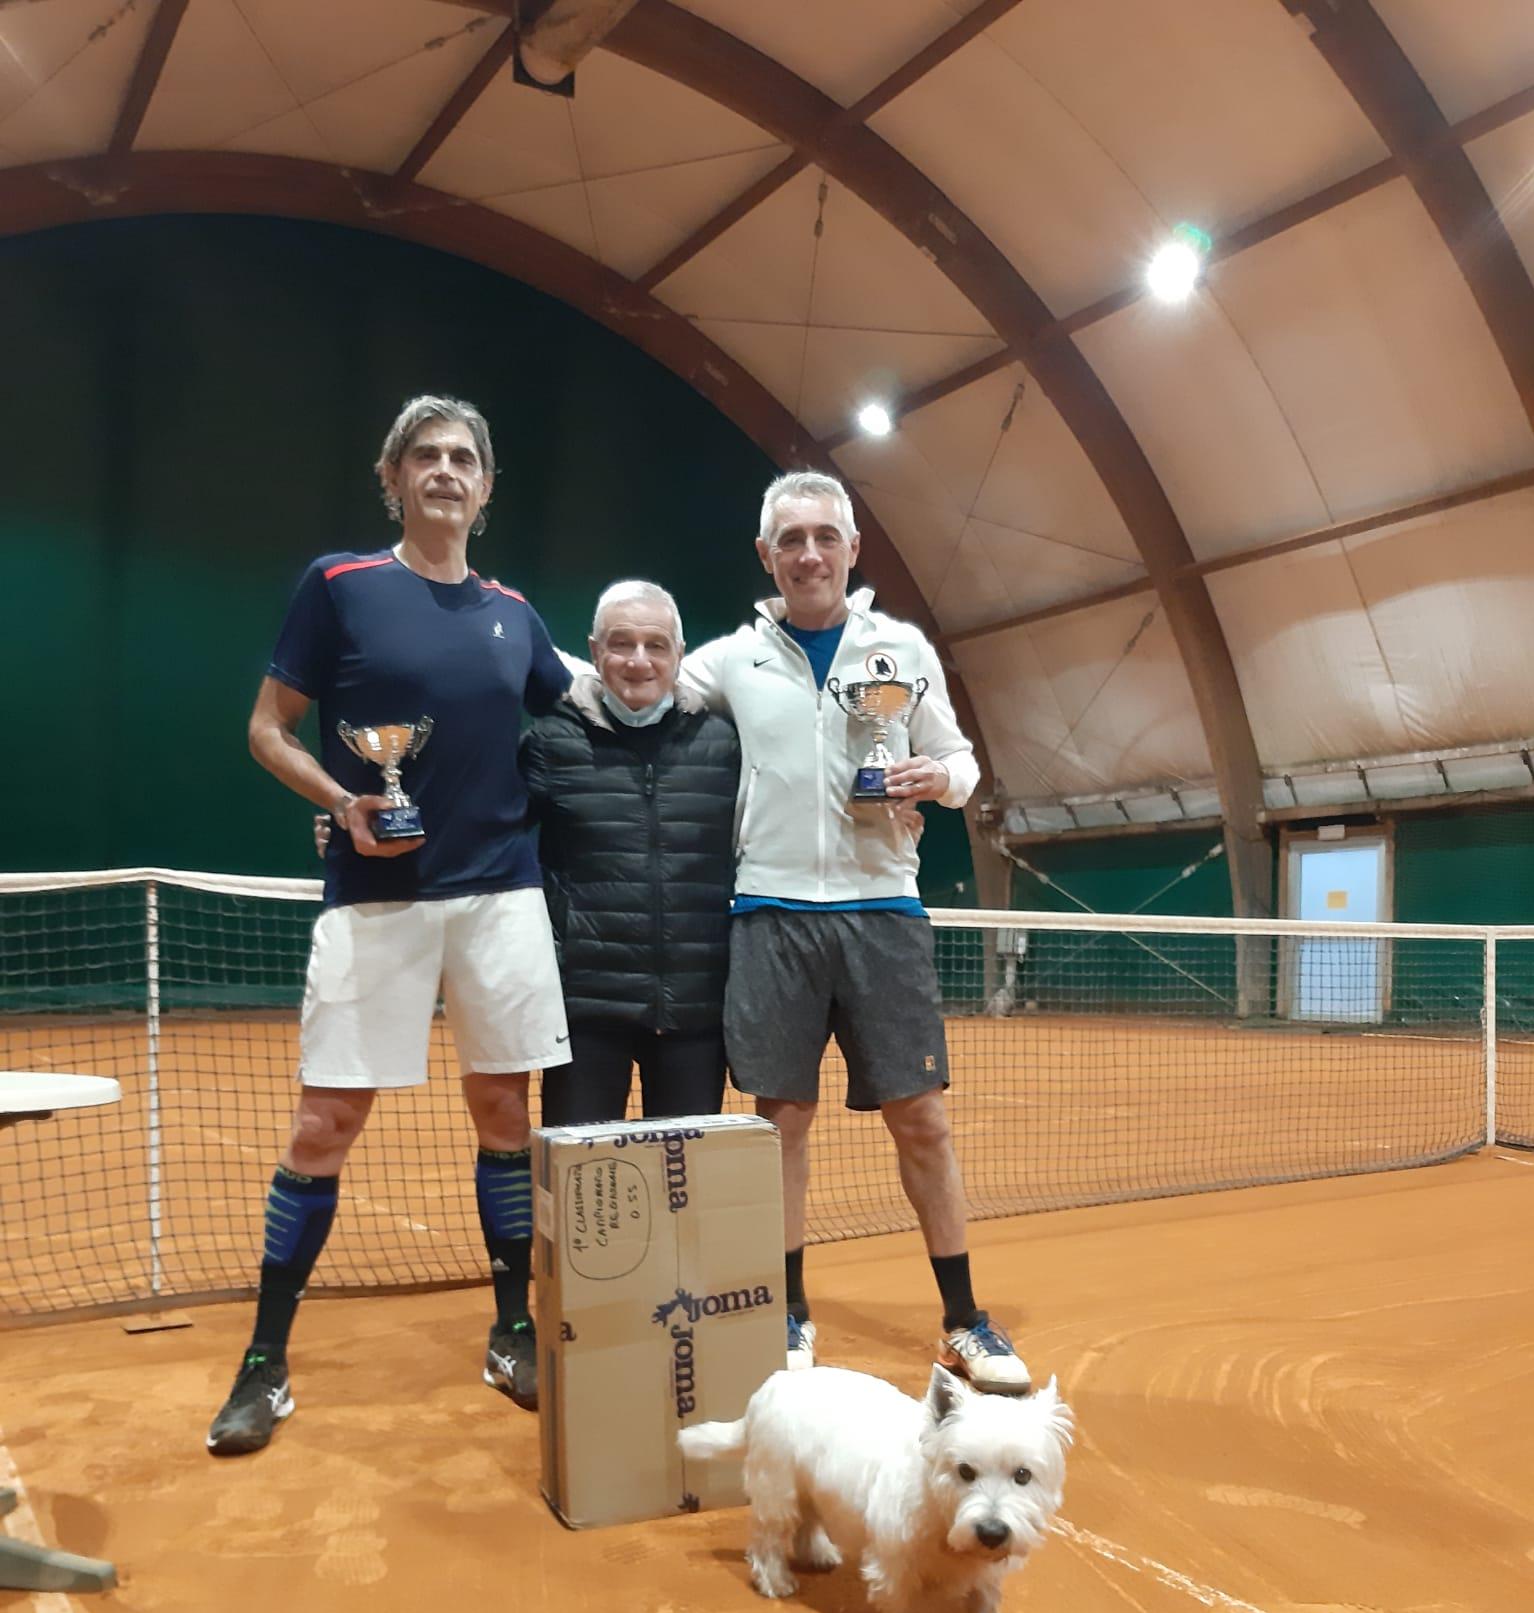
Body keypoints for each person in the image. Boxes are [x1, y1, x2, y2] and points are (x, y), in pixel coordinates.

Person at [206, 394, 571, 1453]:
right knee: (325, 1125)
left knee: (505, 1114)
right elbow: (267, 728)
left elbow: (582, 708)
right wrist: (340, 803)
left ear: (487, 488)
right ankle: (266, 1361)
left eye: (465, 457)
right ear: (394, 477)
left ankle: (512, 1329)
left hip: (502, 893)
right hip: (376, 900)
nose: (447, 470)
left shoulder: (515, 613)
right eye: (427, 456)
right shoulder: (340, 585)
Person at [681, 470, 1032, 1394]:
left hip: (884, 912)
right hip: (770, 915)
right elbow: (630, 685)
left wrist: (933, 780)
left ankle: (963, 1319)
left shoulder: (901, 646)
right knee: (780, 1124)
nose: (808, 553)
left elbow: (963, 763)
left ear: (851, 547)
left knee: (923, 1121)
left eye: (824, 537)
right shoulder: (729, 661)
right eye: (790, 539)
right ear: (767, 555)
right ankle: (789, 1312)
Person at [527, 581, 740, 1126]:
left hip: (696, 1014)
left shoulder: (725, 745)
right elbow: (484, 828)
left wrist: (892, 815)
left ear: (679, 656)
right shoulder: (551, 742)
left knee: (685, 1194)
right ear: (595, 652)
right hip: (586, 1015)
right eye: (621, 644)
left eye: (656, 645)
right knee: (581, 1194)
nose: (639, 661)